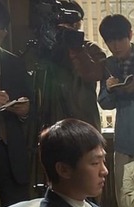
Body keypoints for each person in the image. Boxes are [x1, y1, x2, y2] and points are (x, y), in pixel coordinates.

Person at [97, 14, 134, 207]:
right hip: (123, 140)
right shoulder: (109, 64)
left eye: (120, 39)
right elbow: (104, 103)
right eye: (110, 41)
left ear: (130, 35)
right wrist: (109, 88)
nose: (115, 46)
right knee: (125, 199)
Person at [40, 0, 106, 130]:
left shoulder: (90, 49)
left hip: (83, 123)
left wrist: (76, 47)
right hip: (54, 124)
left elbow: (94, 74)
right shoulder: (49, 50)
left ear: (78, 24)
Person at [0, 1, 32, 207]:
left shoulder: (13, 62)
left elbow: (28, 97)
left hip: (13, 153)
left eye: (0, 30)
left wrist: (24, 110)